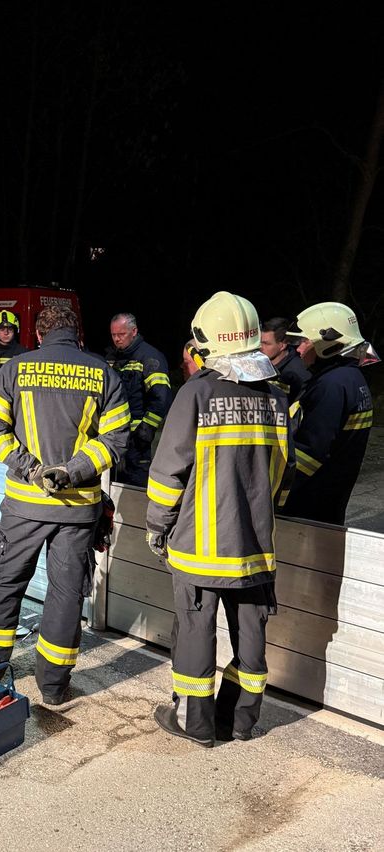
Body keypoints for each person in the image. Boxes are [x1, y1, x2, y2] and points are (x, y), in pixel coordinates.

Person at [147, 291, 295, 747]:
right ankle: (242, 721)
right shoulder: (275, 399)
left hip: (199, 548)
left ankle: (197, 725)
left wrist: (157, 525)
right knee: (250, 632)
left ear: (207, 342)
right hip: (254, 547)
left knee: (195, 632)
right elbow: (282, 475)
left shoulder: (196, 392)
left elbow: (168, 471)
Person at [0, 305, 130, 704]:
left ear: (39, 335)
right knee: (65, 594)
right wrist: (71, 472)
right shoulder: (103, 374)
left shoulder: (15, 369)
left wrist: (32, 469)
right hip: (77, 510)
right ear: (77, 334)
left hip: (24, 507)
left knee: (6, 585)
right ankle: (54, 687)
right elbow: (115, 441)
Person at [280, 302, 377, 525]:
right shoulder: (352, 378)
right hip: (331, 499)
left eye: (305, 341)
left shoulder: (331, 386)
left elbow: (310, 452)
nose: (299, 349)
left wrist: (277, 492)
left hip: (309, 505)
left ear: (328, 344)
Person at [105, 312, 172, 487]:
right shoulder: (111, 358)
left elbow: (161, 399)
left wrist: (146, 430)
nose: (117, 339)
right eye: (113, 335)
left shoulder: (150, 358)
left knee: (135, 489)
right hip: (112, 438)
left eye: (121, 334)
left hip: (137, 443)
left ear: (134, 331)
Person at [260, 316, 310, 406]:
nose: (260, 347)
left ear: (282, 345)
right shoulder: (259, 364)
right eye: (259, 342)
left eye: (266, 343)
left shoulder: (298, 373)